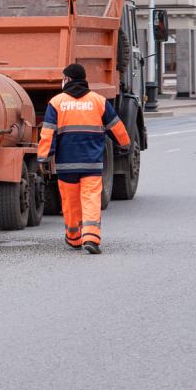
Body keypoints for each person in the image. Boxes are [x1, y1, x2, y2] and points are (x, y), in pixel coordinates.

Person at [37, 63, 130, 254]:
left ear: (68, 79)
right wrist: (125, 144)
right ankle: (91, 238)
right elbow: (116, 126)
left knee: (70, 202)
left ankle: (73, 237)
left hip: (66, 165)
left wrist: (44, 157)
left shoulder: (56, 102)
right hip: (92, 163)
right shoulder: (98, 101)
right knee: (91, 199)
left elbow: (48, 133)